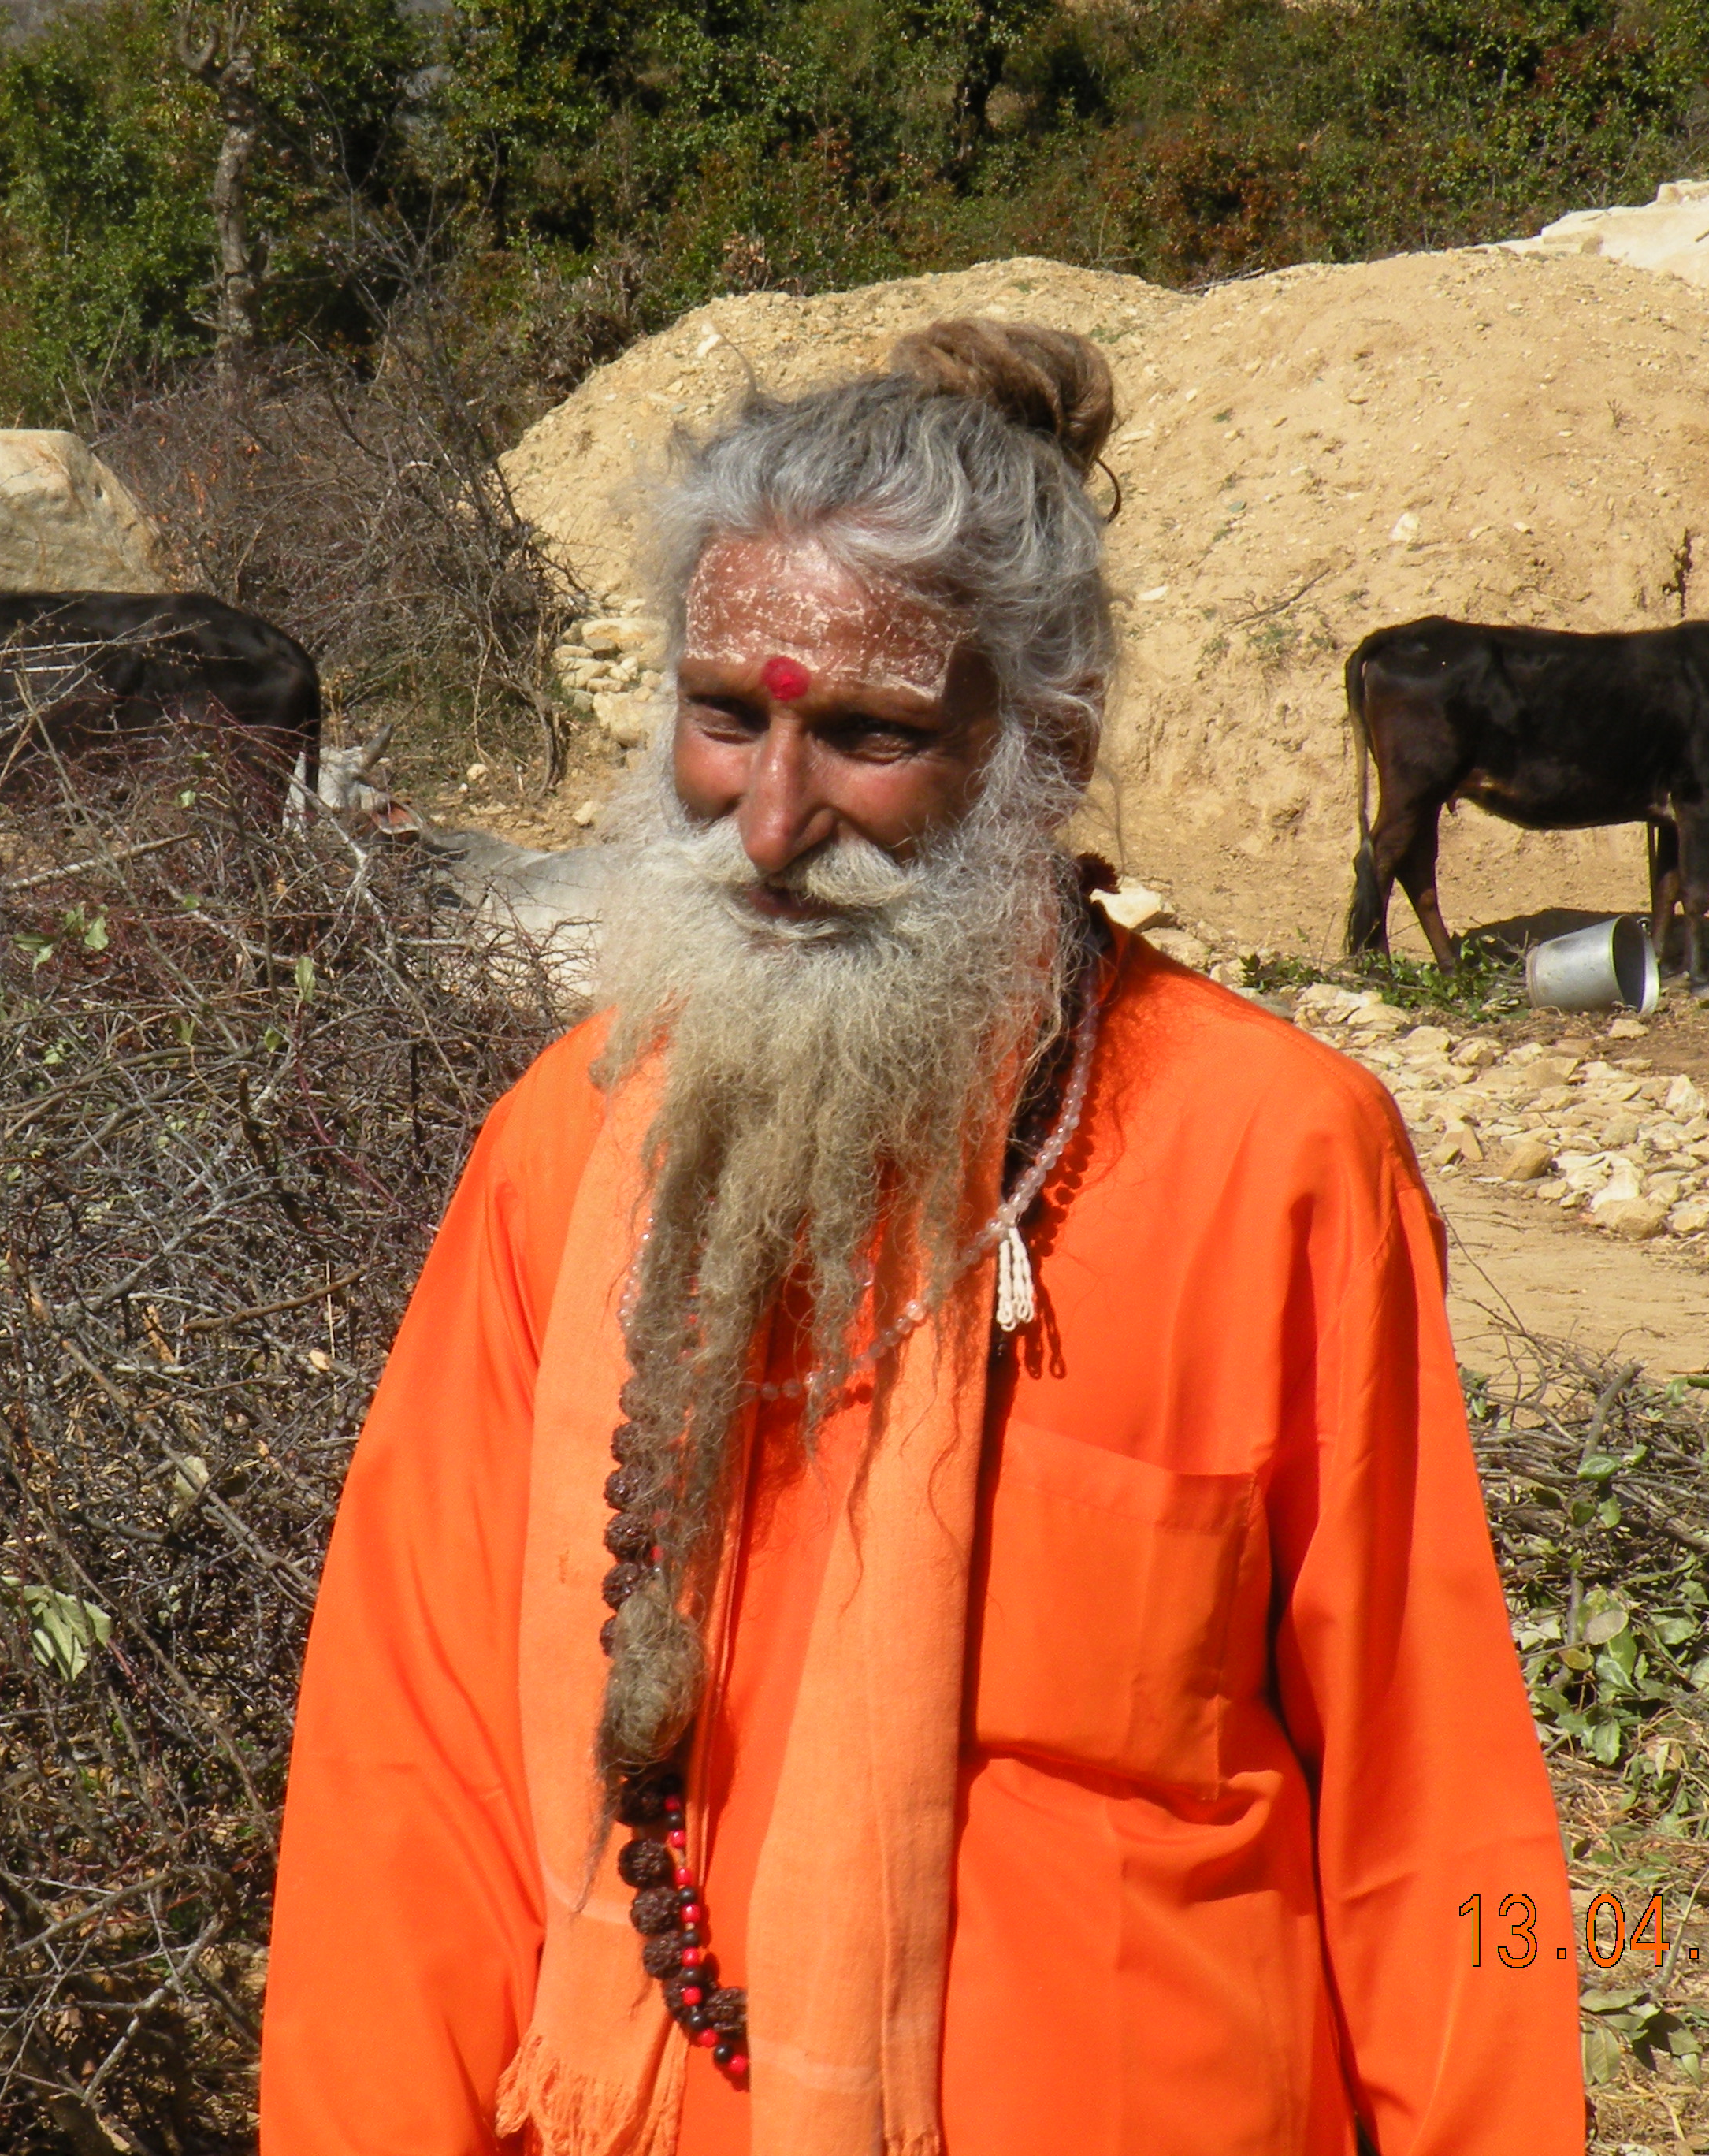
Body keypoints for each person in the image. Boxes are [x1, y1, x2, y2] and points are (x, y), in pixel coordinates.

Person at [260, 318, 1585, 2155]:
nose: (777, 819)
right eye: (730, 714)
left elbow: (1425, 1814)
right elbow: (409, 1777)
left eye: (870, 734)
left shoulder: (1271, 1154)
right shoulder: (564, 1147)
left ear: (1043, 743)